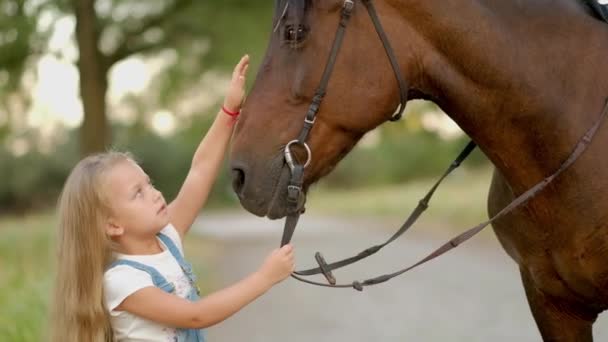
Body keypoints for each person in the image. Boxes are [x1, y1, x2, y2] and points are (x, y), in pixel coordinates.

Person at [50, 55, 295, 342]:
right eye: (137, 193)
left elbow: (200, 171)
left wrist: (228, 111)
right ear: (113, 225)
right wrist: (263, 278)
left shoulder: (166, 238)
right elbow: (196, 315)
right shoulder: (122, 281)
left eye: (149, 183)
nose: (154, 194)